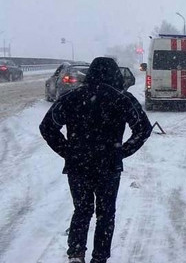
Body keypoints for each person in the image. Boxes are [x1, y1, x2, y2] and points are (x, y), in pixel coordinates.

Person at [39, 57, 152, 263]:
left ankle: (75, 254)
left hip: (78, 166)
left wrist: (67, 151)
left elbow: (47, 127)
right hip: (108, 166)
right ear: (115, 75)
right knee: (105, 214)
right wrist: (123, 151)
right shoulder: (122, 99)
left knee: (81, 210)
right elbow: (143, 129)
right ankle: (99, 257)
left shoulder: (72, 97)